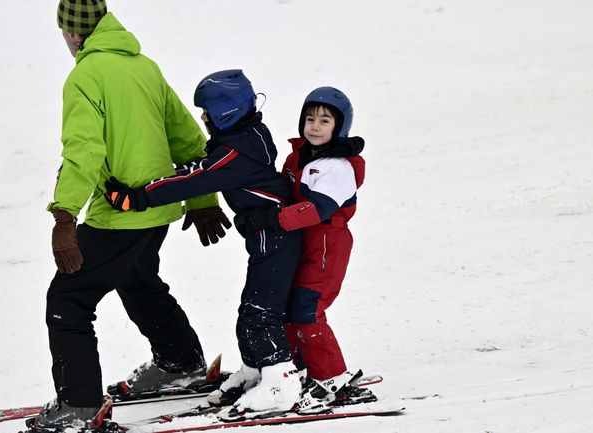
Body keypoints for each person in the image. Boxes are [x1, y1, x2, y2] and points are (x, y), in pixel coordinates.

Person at [33, 1, 233, 431]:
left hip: (121, 213)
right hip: (158, 208)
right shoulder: (144, 67)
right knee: (137, 279)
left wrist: (65, 217)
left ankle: (78, 406)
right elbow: (187, 137)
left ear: (72, 33)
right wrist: (201, 200)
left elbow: (84, 151)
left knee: (68, 300)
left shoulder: (85, 76)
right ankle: (181, 362)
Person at [104, 69, 303, 414]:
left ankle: (280, 383)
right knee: (250, 311)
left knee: (260, 314)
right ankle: (255, 373)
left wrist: (138, 197)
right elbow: (202, 168)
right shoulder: (245, 140)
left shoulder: (235, 156)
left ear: (225, 114)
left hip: (276, 239)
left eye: (206, 114)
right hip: (268, 239)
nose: (203, 120)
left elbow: (195, 178)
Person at [239, 86, 366, 412]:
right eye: (310, 119)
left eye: (325, 121)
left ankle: (332, 378)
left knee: (308, 310)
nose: (315, 126)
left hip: (326, 247)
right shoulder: (297, 157)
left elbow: (316, 210)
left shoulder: (338, 168)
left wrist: (271, 219)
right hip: (300, 242)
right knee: (288, 306)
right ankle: (297, 371)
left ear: (340, 127)